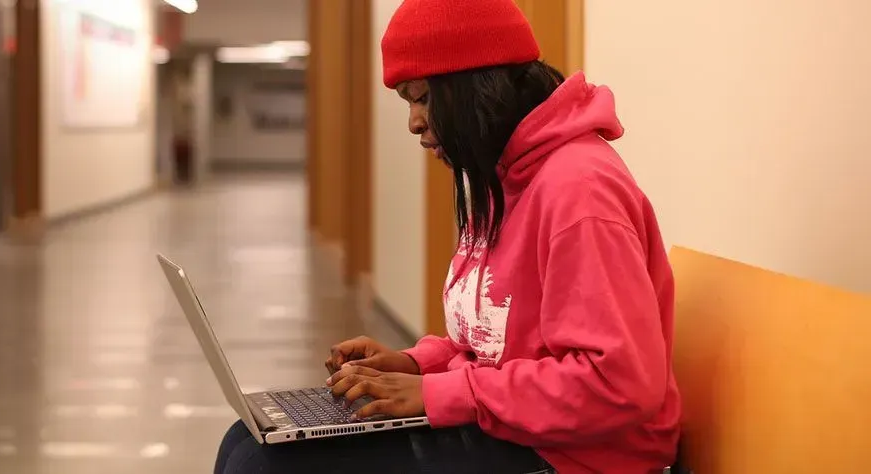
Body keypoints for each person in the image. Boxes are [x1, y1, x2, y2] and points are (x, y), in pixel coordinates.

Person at [213, 1, 681, 473]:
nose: (415, 122)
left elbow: (615, 384)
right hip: (521, 427)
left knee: (264, 466)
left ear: (476, 85)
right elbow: (494, 346)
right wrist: (416, 365)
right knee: (247, 438)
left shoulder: (579, 191)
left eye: (422, 98)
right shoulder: (500, 178)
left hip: (581, 456)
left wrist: (440, 393)